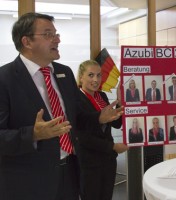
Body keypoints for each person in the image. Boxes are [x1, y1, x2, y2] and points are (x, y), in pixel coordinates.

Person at [0, 12, 123, 200]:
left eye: (56, 34)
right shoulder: (5, 79)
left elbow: (76, 117)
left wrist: (98, 117)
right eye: (48, 34)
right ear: (27, 42)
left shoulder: (63, 73)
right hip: (28, 181)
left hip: (70, 173)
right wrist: (33, 134)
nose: (57, 39)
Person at [76, 60, 128, 200]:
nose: (96, 80)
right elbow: (81, 136)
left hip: (108, 160)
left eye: (99, 75)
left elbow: (115, 124)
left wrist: (120, 102)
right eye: (91, 75)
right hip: (90, 162)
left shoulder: (102, 96)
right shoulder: (76, 99)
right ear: (81, 77)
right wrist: (113, 146)